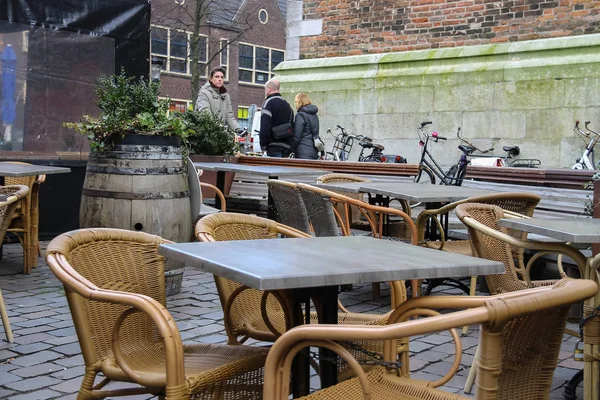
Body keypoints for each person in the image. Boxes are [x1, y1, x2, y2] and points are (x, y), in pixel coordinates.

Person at [195, 67, 240, 131]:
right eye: (217, 77)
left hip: (220, 134)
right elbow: (205, 114)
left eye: (222, 77)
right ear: (211, 79)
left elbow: (229, 116)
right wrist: (219, 127)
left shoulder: (226, 96)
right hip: (205, 133)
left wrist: (238, 129)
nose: (220, 79)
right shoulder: (203, 93)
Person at [259, 78, 295, 157]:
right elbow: (292, 125)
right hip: (287, 147)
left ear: (269, 89)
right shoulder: (287, 105)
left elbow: (265, 126)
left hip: (273, 146)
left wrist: (263, 146)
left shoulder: (268, 103)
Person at [292, 93, 322, 160]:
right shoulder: (314, 115)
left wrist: (289, 149)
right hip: (314, 151)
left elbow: (297, 136)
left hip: (303, 152)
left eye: (295, 102)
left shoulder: (300, 115)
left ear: (299, 102)